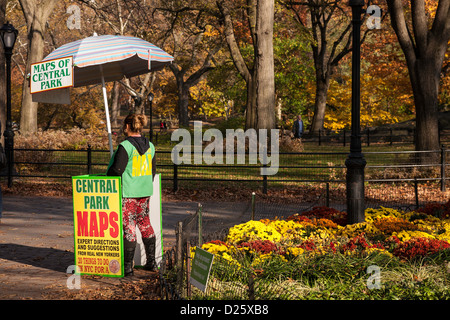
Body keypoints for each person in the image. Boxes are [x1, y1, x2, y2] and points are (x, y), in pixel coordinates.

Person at [107, 114, 157, 276]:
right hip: (145, 192)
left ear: (127, 127)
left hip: (128, 193)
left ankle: (128, 268)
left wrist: (109, 178)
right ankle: (152, 262)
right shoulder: (150, 145)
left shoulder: (125, 146)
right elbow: (152, 170)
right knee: (145, 224)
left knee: (129, 228)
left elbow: (117, 170)